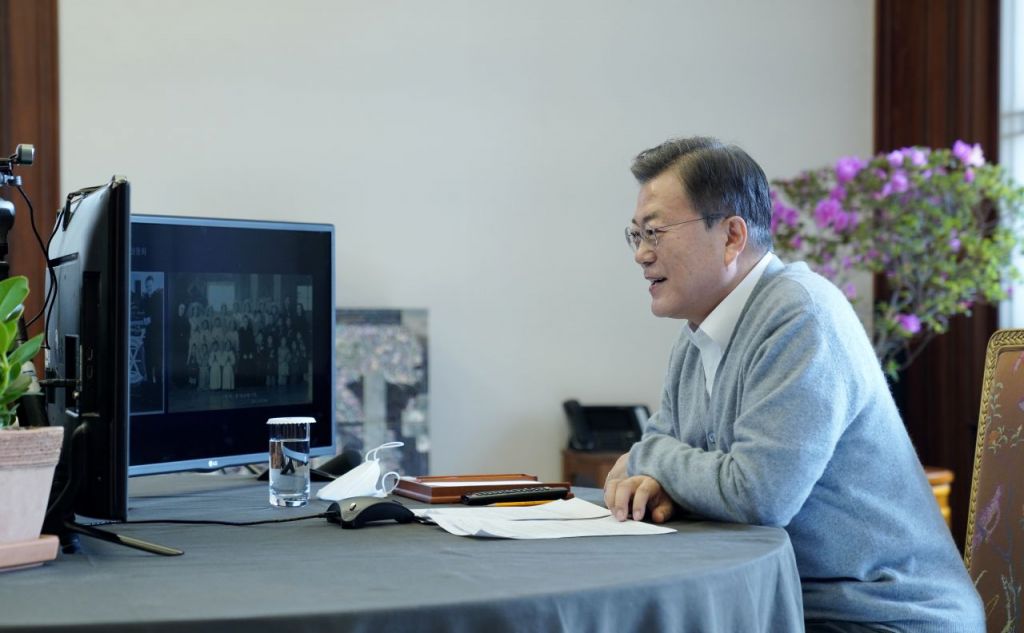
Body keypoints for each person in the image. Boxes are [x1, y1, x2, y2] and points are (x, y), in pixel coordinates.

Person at [603, 136, 984, 632]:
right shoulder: (695, 338)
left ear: (732, 236)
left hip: (884, 615)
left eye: (655, 232)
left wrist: (650, 460)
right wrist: (654, 474)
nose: (641, 254)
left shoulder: (802, 315)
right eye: (636, 235)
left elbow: (757, 495)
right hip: (783, 606)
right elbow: (653, 460)